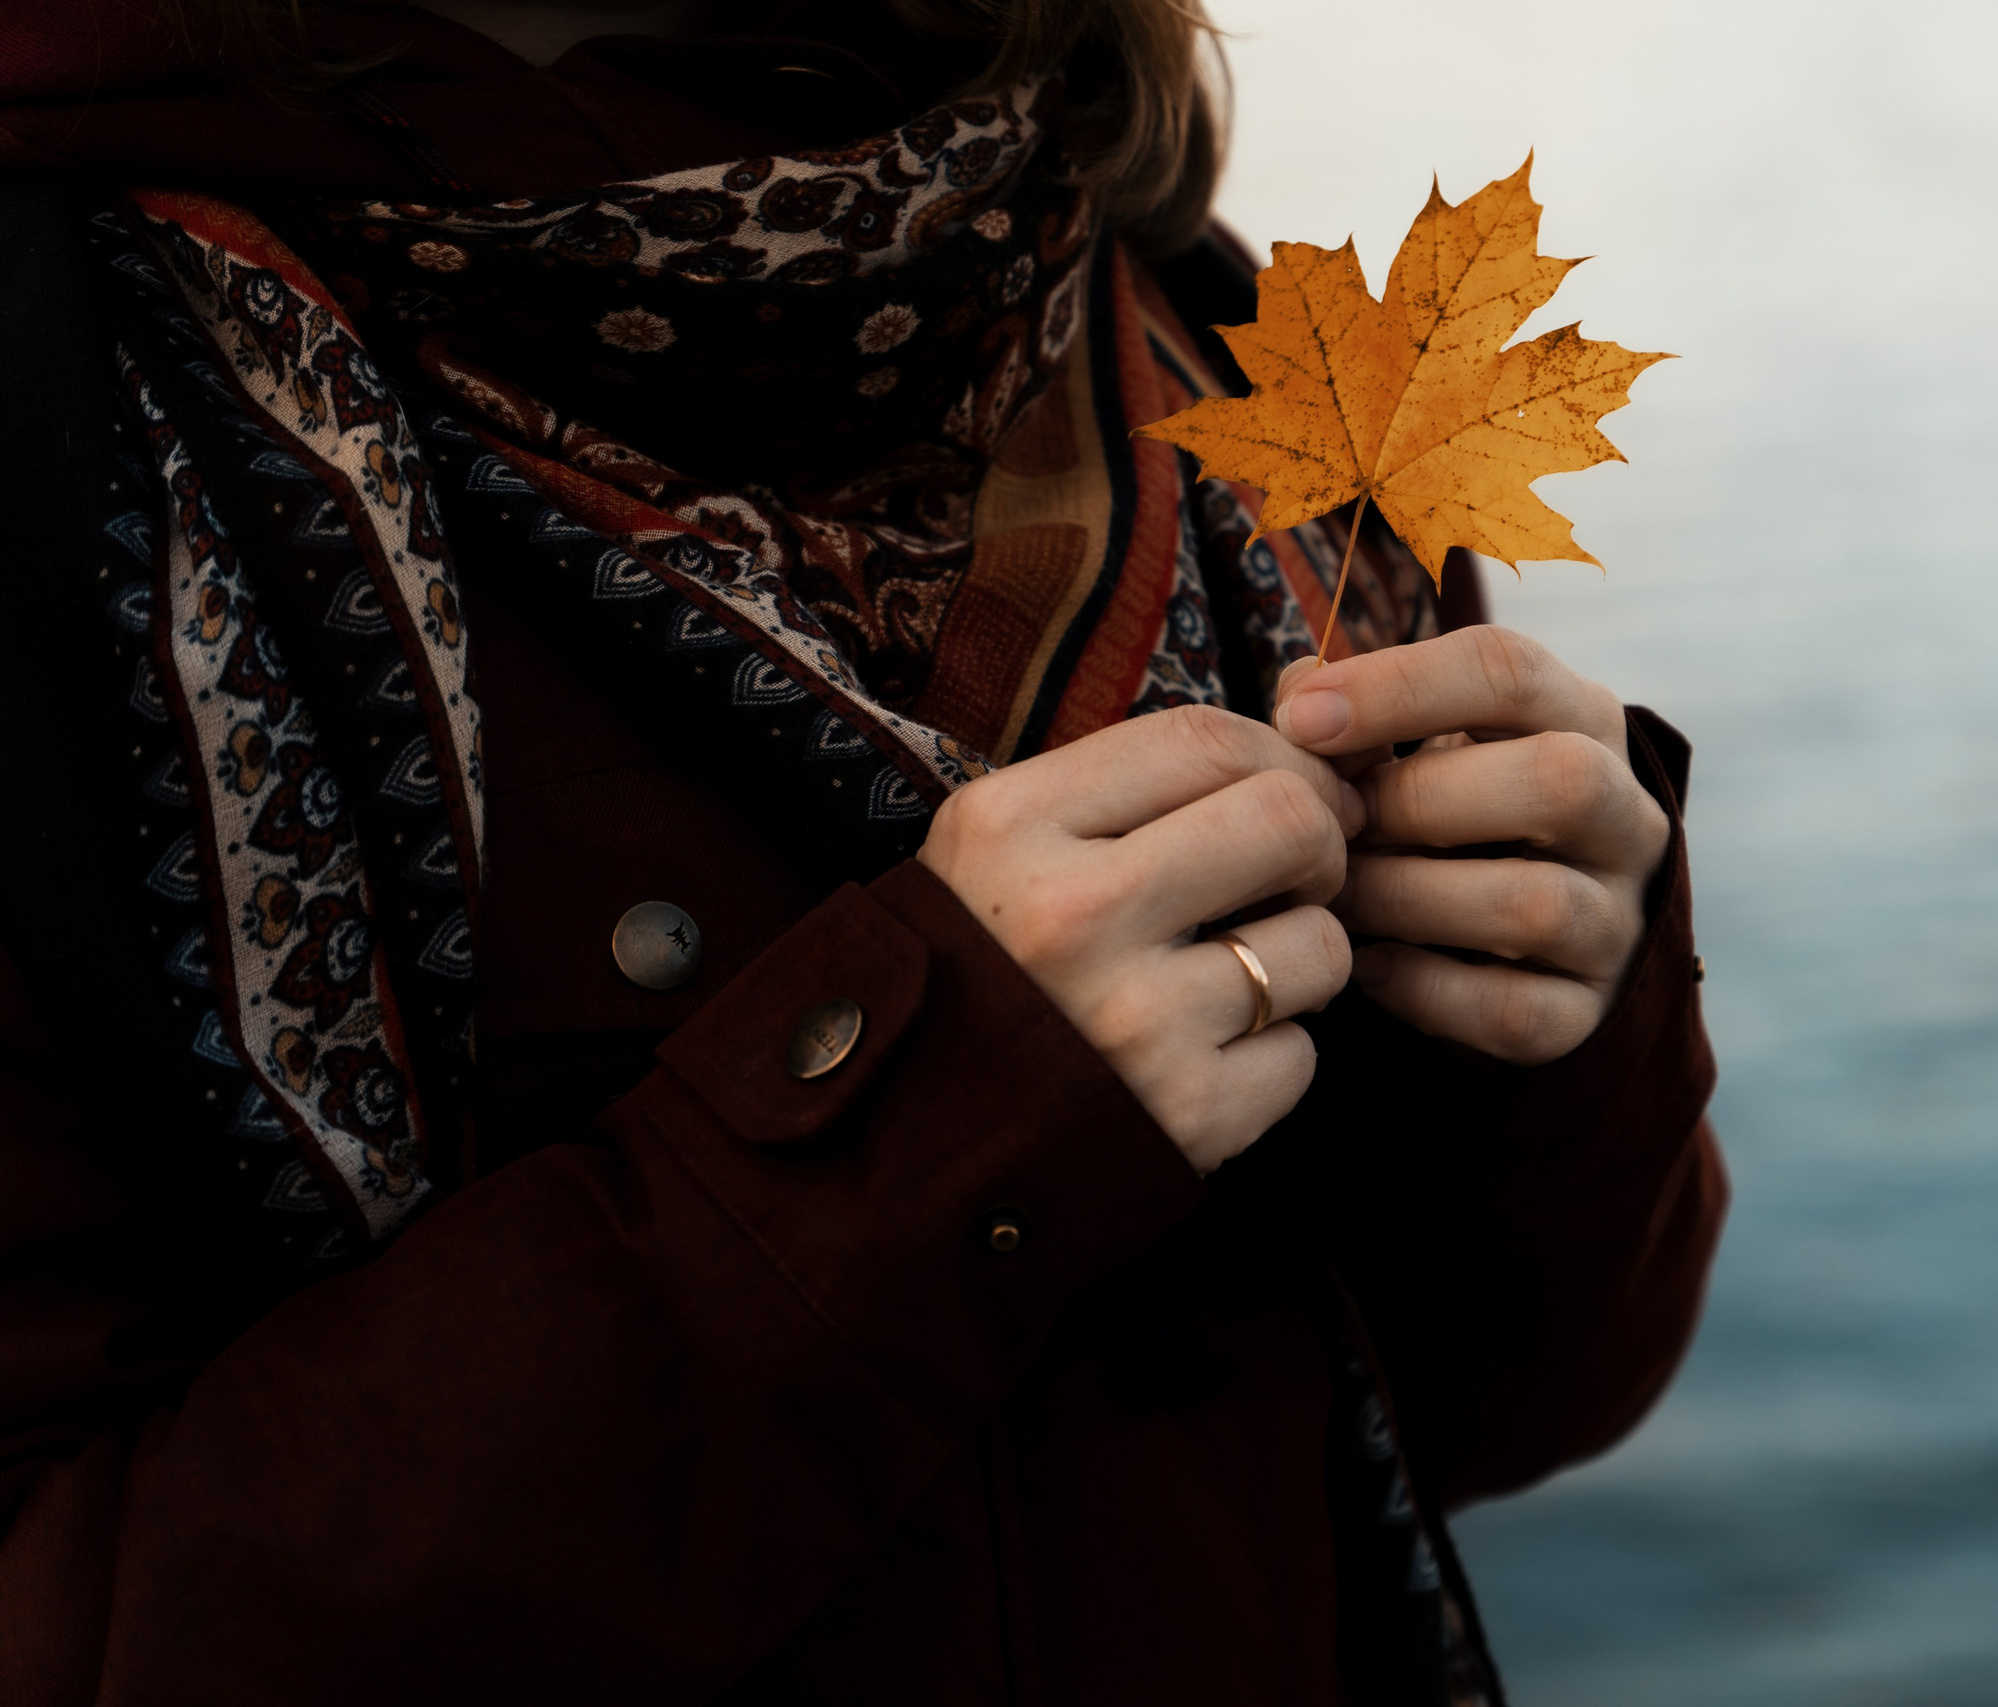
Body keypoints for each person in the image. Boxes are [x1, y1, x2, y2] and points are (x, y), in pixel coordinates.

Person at [0, 3, 1725, 1702]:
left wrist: (1573, 1014)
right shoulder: (69, 398)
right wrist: (926, 1132)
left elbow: (1510, 1408)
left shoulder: (1209, 344)